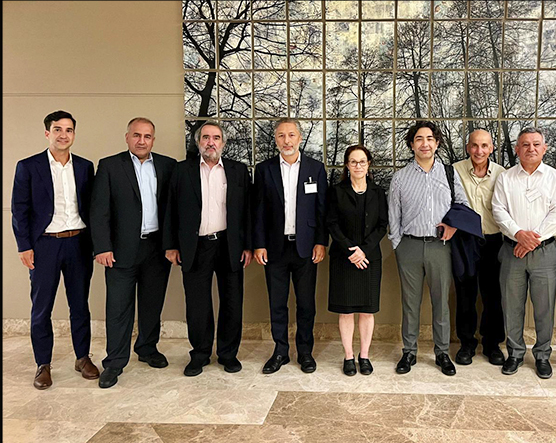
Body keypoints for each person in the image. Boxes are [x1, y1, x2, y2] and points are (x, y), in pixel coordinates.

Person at [11, 110, 100, 390]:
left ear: (74, 134)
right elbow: (19, 210)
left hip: (78, 243)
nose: (64, 135)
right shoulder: (28, 166)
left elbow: (93, 208)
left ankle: (82, 357)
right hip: (45, 245)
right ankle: (43, 364)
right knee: (41, 308)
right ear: (47, 133)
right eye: (58, 129)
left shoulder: (85, 167)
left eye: (69, 130)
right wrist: (24, 246)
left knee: (79, 305)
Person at [90, 118, 177, 388]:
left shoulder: (167, 166)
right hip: (120, 250)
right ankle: (114, 363)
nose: (142, 141)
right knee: (118, 308)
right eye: (137, 135)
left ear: (153, 139)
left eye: (147, 136)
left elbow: (173, 210)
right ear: (127, 137)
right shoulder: (109, 166)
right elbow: (99, 210)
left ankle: (147, 349)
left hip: (155, 248)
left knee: (152, 304)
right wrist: (102, 246)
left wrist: (172, 244)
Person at [163, 120, 253, 377]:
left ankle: (228, 354)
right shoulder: (182, 171)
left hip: (230, 245)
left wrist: (247, 246)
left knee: (232, 302)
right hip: (196, 245)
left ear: (223, 143)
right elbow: (170, 209)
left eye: (215, 138)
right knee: (198, 304)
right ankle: (200, 354)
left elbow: (247, 210)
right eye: (205, 137)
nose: (210, 142)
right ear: (198, 142)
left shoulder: (237, 171)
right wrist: (171, 246)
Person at [388, 120, 469, 376]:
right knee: (410, 303)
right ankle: (409, 352)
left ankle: (442, 352)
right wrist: (398, 245)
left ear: (437, 143)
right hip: (409, 246)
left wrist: (453, 226)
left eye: (430, 139)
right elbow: (393, 216)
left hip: (440, 246)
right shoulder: (400, 178)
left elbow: (462, 204)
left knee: (440, 302)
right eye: (419, 139)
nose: (425, 144)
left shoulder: (448, 173)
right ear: (412, 144)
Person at [491, 127, 556, 378]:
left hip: (544, 252)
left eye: (536, 144)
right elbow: (498, 210)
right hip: (511, 250)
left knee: (544, 307)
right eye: (525, 144)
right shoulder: (506, 178)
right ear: (517, 149)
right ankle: (514, 353)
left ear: (544, 148)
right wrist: (518, 235)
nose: (531, 149)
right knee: (511, 305)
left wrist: (531, 240)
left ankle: (543, 355)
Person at [253, 118, 328, 374]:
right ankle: (281, 351)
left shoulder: (315, 169)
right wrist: (259, 244)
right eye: (282, 136)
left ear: (299, 137)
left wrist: (321, 241)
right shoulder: (264, 169)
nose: (287, 140)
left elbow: (321, 210)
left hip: (306, 247)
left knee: (306, 303)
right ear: (276, 139)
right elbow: (259, 210)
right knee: (277, 303)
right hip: (274, 248)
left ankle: (305, 352)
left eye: (291, 135)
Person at [326, 145, 388, 376]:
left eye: (362, 161)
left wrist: (364, 250)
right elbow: (331, 223)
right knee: (346, 311)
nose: (358, 166)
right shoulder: (336, 191)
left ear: (369, 164)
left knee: (367, 311)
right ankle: (348, 357)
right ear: (347, 165)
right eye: (353, 162)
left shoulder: (378, 192)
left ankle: (364, 355)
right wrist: (351, 251)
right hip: (343, 258)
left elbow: (383, 224)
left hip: (370, 258)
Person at [451, 129, 506, 366]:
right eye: (474, 145)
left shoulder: (502, 174)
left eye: (484, 146)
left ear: (491, 148)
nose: (479, 151)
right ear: (467, 147)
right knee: (465, 295)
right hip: (464, 240)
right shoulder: (454, 171)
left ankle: (492, 344)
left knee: (493, 295)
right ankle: (466, 343)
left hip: (494, 241)